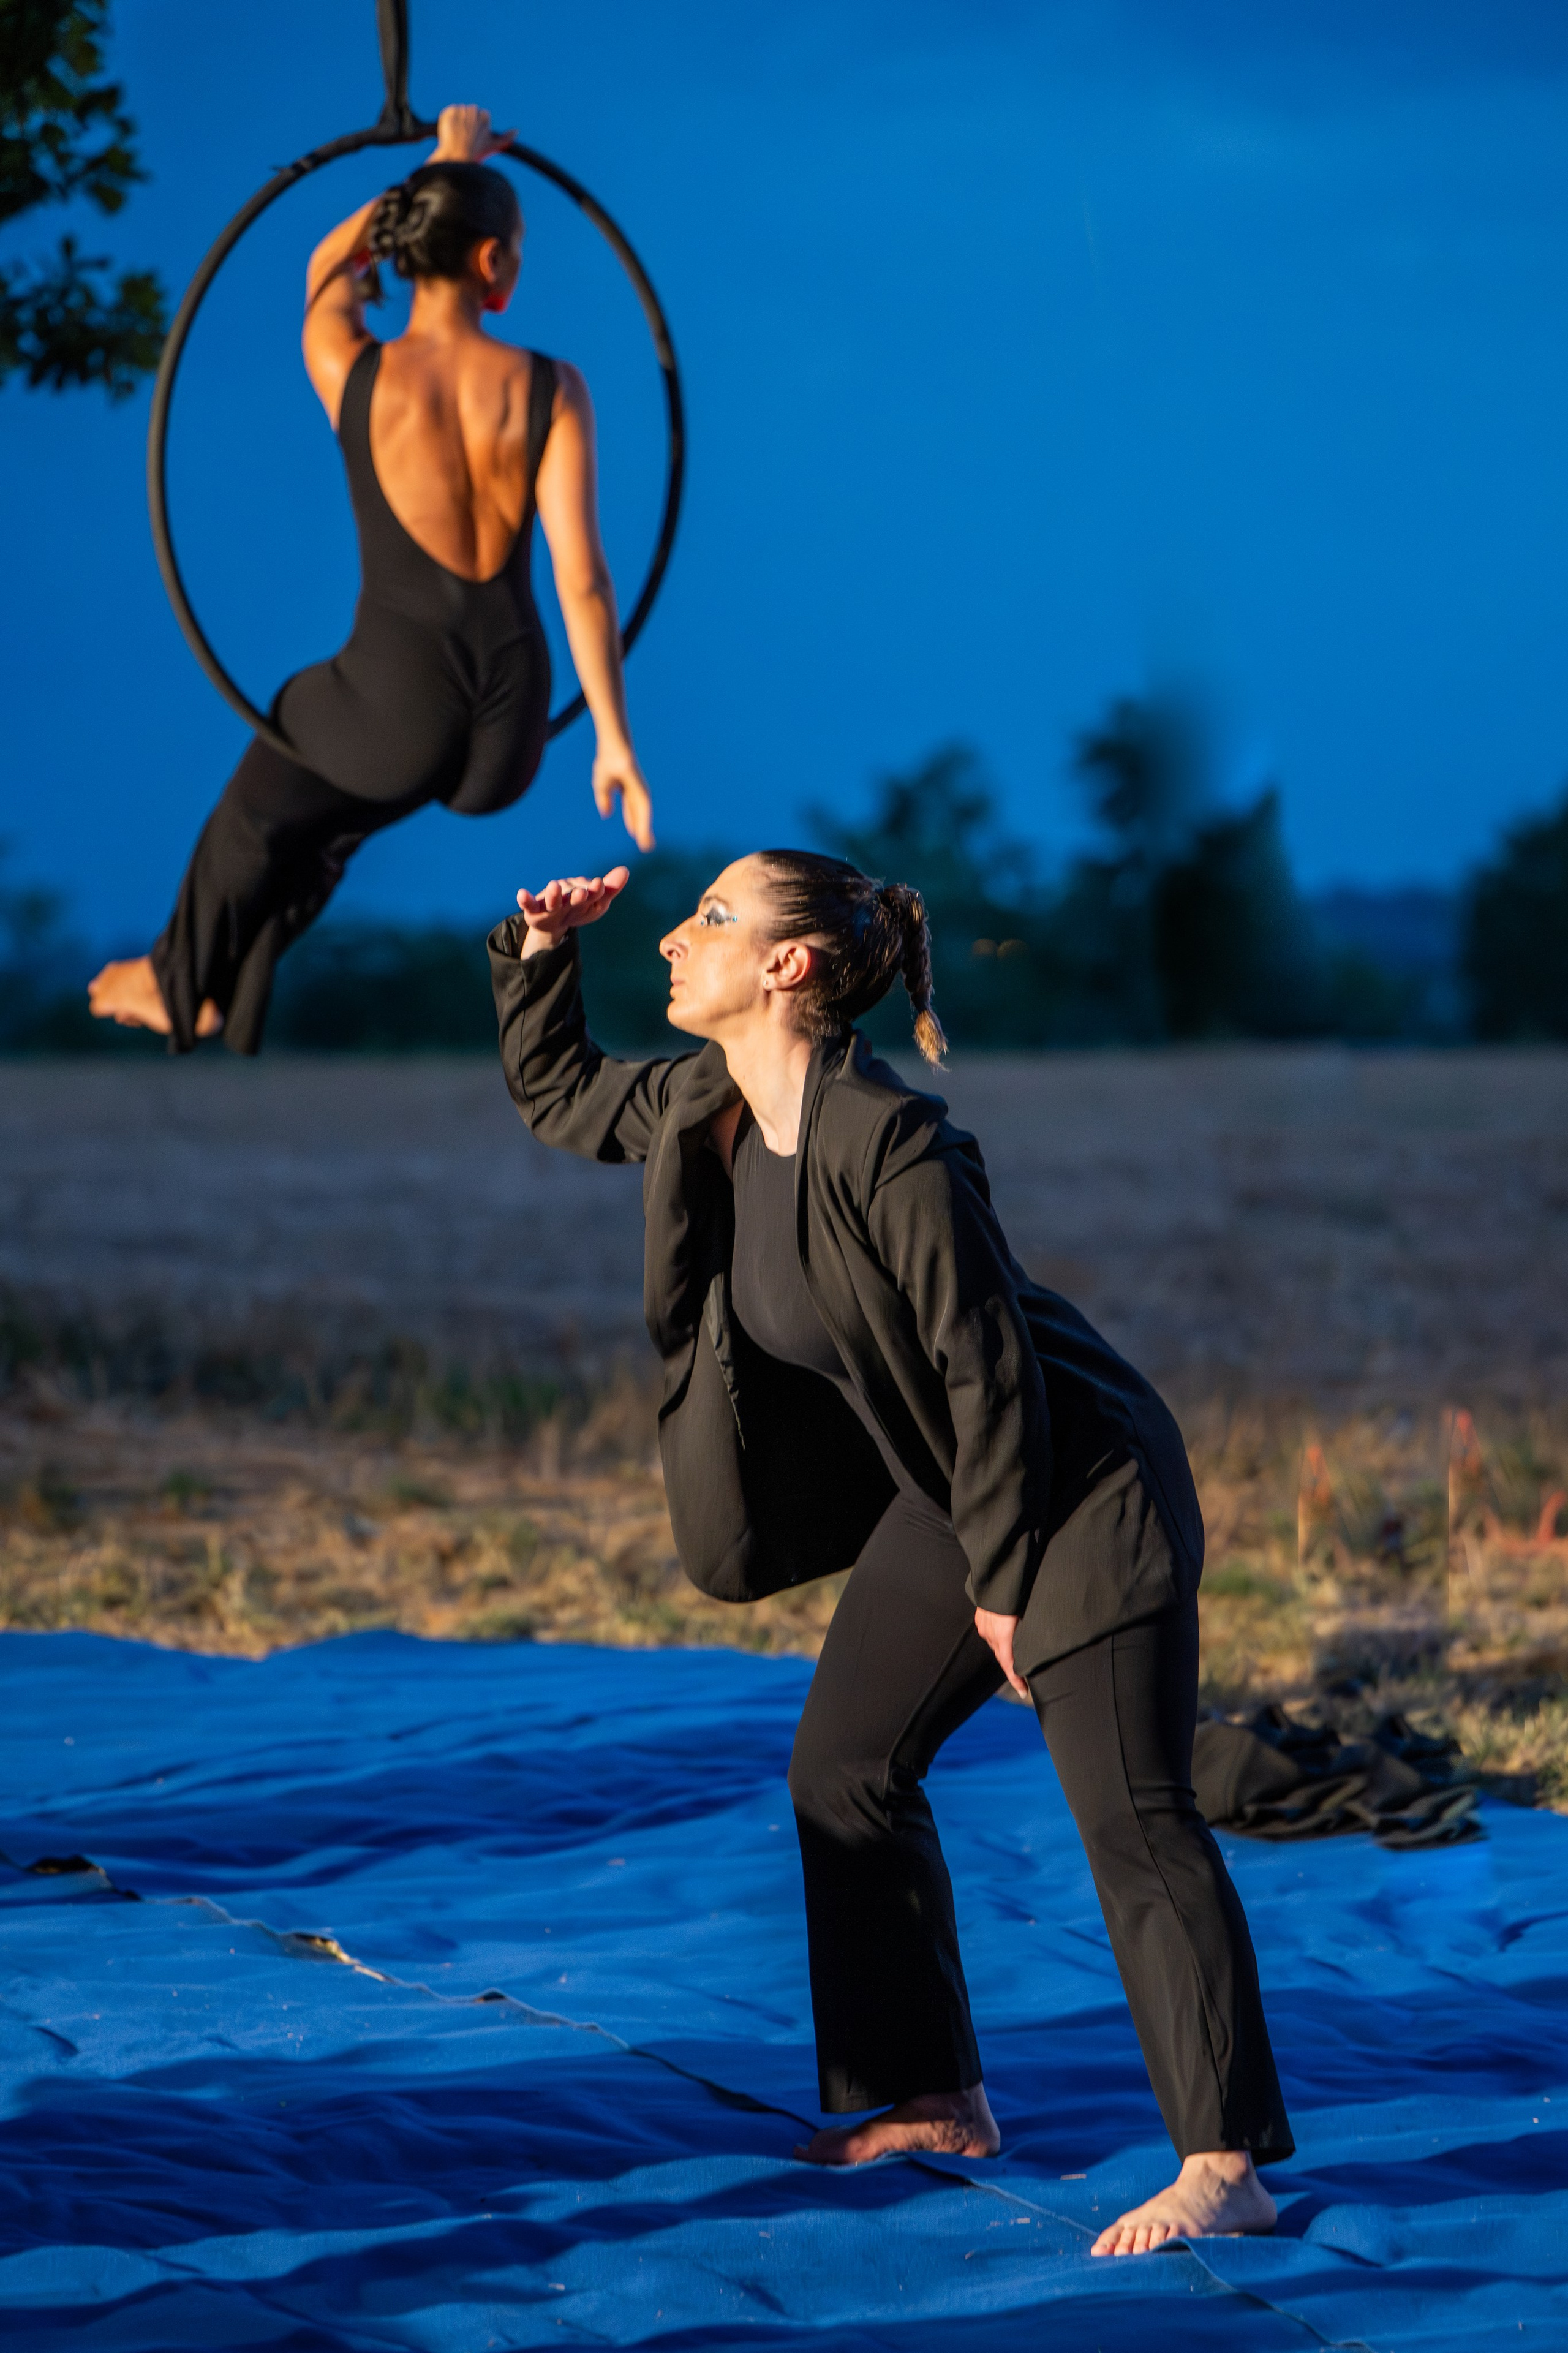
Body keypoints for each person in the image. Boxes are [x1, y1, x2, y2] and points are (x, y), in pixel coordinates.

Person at [486, 849, 1295, 2259]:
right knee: (844, 1769)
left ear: (789, 968)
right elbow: (561, 1096)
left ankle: (1223, 2164)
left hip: (1075, 1481)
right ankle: (925, 2096)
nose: (676, 938)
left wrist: (1001, 1592)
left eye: (713, 919)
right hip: (960, 1481)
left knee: (1130, 1814)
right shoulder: (709, 1104)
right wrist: (541, 953)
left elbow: (990, 1376)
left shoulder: (897, 1146)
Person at [91, 105, 652, 1054]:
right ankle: (231, 988)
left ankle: (174, 980)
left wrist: (439, 163)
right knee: (330, 819)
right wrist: (612, 740)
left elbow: (326, 271)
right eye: (515, 249)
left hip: (396, 709)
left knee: (265, 796)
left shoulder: (353, 367)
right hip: (509, 732)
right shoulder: (554, 386)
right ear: (489, 264)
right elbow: (584, 579)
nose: (519, 266)